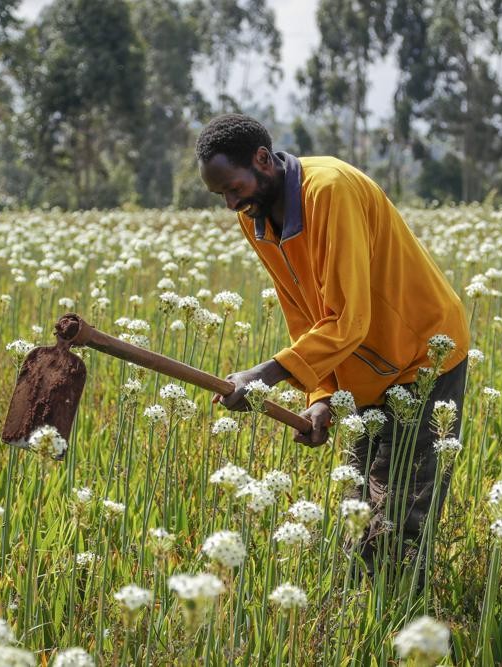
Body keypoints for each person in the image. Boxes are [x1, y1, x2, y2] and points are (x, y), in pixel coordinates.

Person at [196, 113, 469, 587]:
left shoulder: (329, 190)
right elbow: (304, 311)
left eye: (233, 187)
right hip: (362, 365)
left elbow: (347, 317)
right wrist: (320, 395)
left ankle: (402, 621)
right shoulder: (255, 216)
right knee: (358, 504)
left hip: (422, 354)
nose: (230, 203)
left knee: (401, 509)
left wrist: (264, 375)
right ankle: (366, 609)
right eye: (221, 195)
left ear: (263, 159)